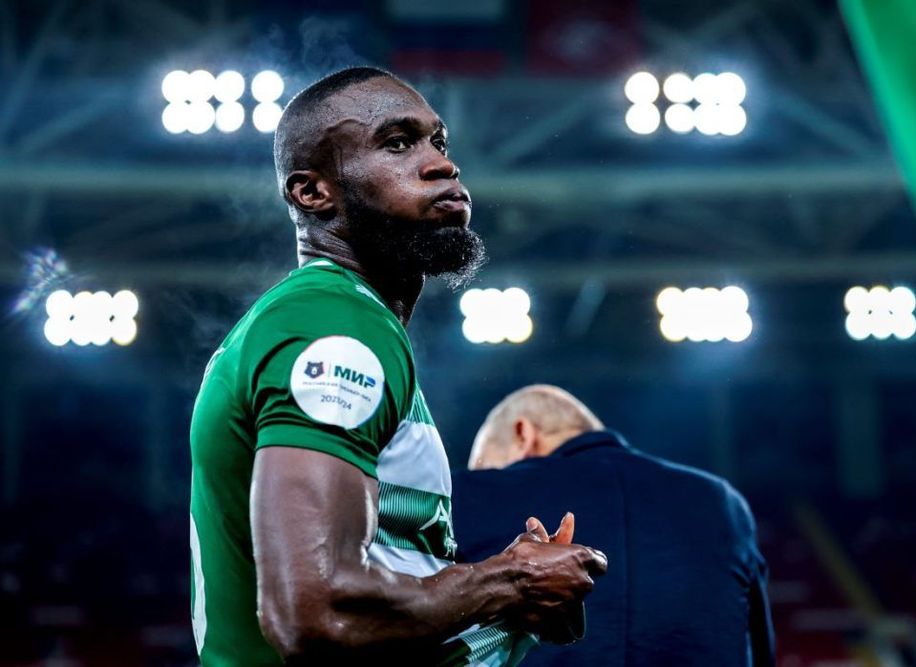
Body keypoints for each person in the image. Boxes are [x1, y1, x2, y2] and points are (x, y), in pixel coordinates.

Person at [188, 68, 607, 666]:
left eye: (439, 141)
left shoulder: (343, 319)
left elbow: (372, 607)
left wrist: (512, 611)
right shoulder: (332, 323)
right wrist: (509, 580)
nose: (442, 164)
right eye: (397, 143)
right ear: (312, 193)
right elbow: (314, 614)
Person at [452, 385, 775, 666]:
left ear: (523, 434)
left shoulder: (467, 492)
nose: (485, 474)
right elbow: (760, 647)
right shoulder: (721, 500)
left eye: (484, 463)